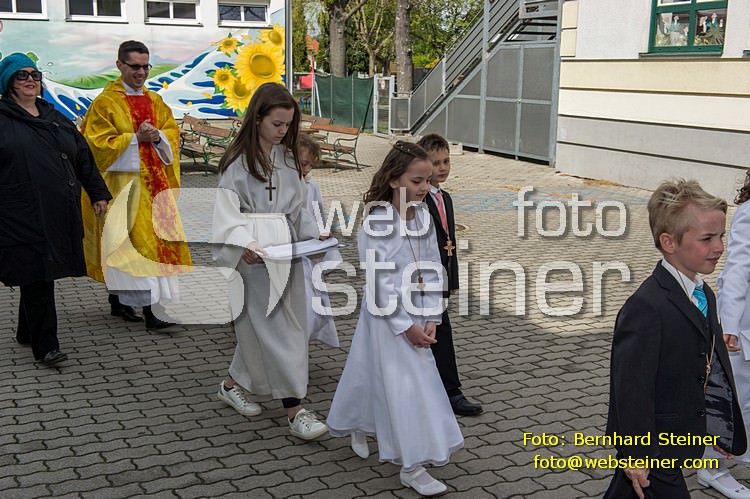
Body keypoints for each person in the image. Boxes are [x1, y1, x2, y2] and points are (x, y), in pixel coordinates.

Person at [327, 141, 464, 496]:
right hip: (388, 317)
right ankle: (412, 465)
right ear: (393, 179)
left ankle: (358, 420)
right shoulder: (378, 224)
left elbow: (432, 266)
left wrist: (432, 314)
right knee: (410, 386)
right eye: (417, 181)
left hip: (418, 311)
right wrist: (406, 326)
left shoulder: (423, 216)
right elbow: (378, 284)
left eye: (427, 181)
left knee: (369, 371)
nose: (424, 188)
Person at [604, 180, 746, 499]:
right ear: (669, 242)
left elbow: (712, 366)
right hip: (655, 446)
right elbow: (631, 388)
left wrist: (721, 428)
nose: (719, 247)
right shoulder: (646, 307)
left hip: (682, 435)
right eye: (707, 238)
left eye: (721, 236)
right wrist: (635, 452)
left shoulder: (703, 293)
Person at [212, 82, 329, 440]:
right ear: (258, 118)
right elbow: (225, 214)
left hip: (285, 251)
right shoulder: (237, 164)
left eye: (287, 125)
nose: (282, 131)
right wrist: (242, 243)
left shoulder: (289, 160)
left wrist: (315, 234)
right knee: (283, 332)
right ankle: (295, 411)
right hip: (254, 257)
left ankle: (230, 384)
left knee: (265, 329)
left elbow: (298, 208)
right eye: (277, 124)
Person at [0, 53, 111, 365]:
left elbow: (83, 155)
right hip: (17, 212)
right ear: (8, 83)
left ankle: (27, 332)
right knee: (38, 273)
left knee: (36, 273)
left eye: (34, 75)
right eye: (21, 75)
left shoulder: (53, 116)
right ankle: (46, 346)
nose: (30, 80)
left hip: (57, 210)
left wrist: (97, 193)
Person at [80, 40, 192, 330]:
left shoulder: (156, 101)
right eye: (135, 67)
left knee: (155, 244)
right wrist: (135, 139)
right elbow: (95, 145)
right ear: (120, 65)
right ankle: (151, 311)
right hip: (124, 190)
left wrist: (158, 137)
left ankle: (120, 301)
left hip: (155, 187)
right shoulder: (105, 104)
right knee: (134, 247)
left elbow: (171, 133)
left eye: (145, 67)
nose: (141, 73)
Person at [417, 133, 482, 417]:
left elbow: (449, 243)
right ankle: (447, 391)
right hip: (423, 280)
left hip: (441, 279)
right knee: (434, 332)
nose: (442, 168)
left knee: (441, 331)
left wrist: (451, 280)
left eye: (446, 161)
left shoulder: (445, 198)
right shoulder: (418, 200)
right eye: (436, 163)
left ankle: (448, 390)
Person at [696, 172, 750, 499]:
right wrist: (728, 324)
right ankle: (712, 467)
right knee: (734, 401)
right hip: (744, 330)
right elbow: (737, 270)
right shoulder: (749, 213)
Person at [298, 133, 341, 348]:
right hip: (288, 250)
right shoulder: (282, 185)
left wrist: (322, 233)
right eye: (303, 163)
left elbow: (317, 211)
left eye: (310, 165)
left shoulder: (311, 184)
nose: (307, 169)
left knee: (312, 301)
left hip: (308, 250)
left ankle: (302, 342)